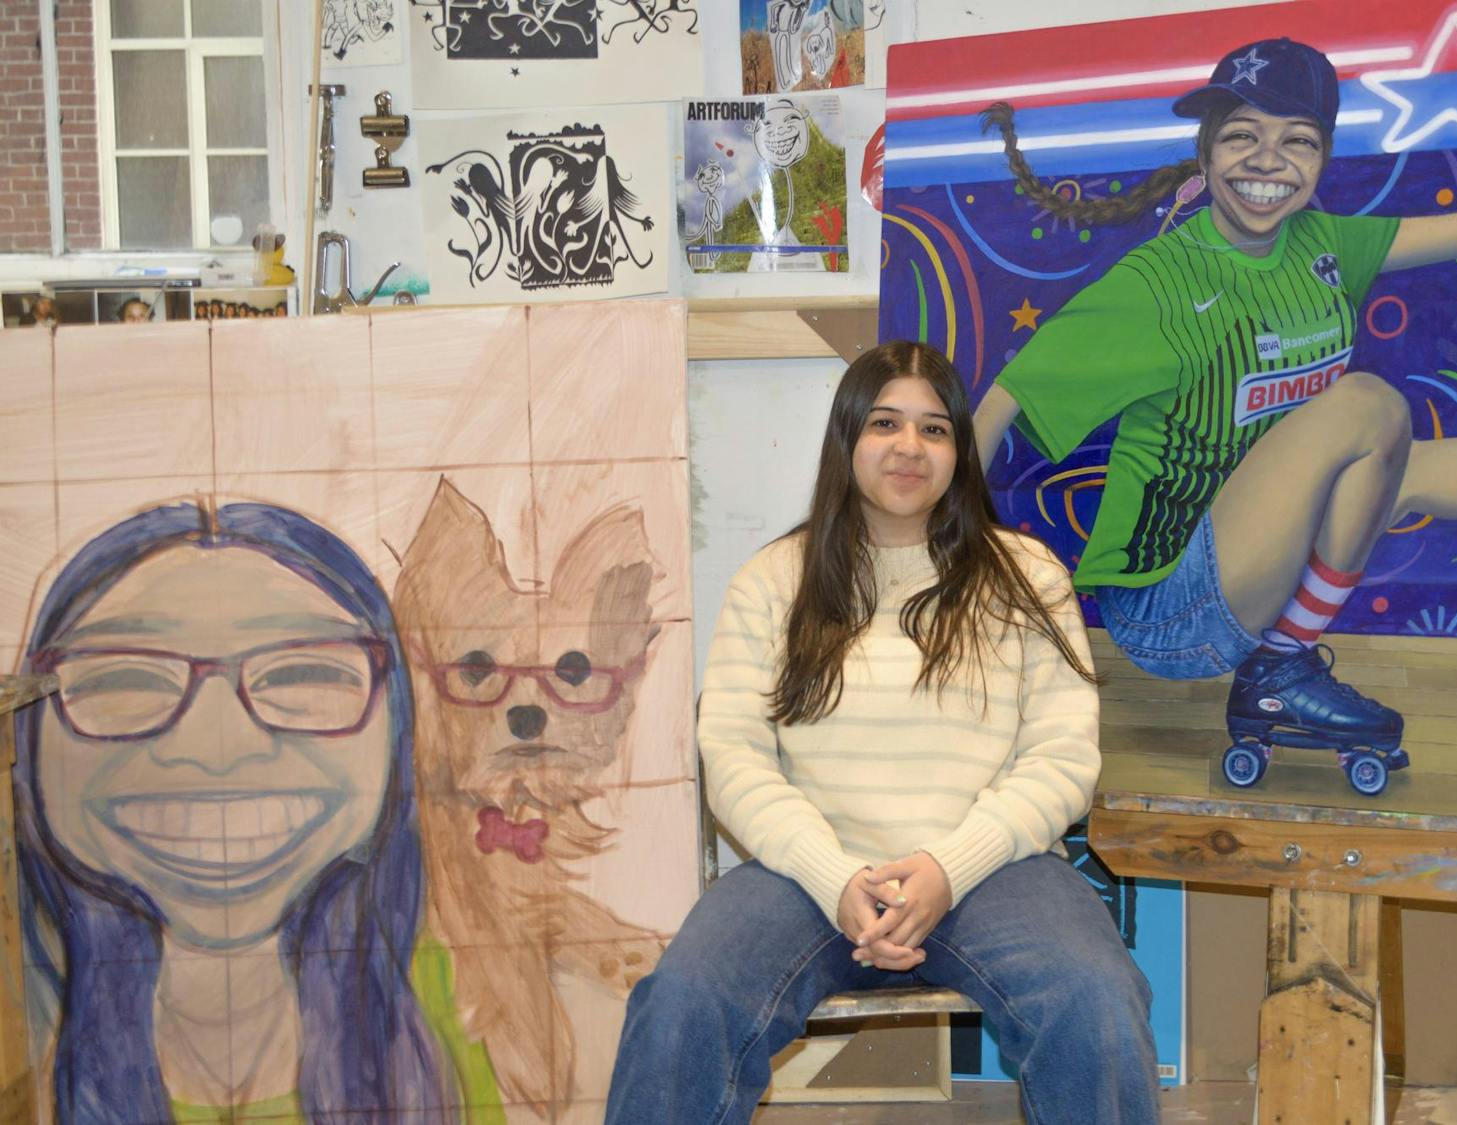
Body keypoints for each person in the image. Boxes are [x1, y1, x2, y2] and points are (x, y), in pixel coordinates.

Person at [605, 341, 1159, 1123]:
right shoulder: (773, 580)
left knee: (1097, 1002)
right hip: (806, 873)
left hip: (991, 869)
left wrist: (946, 867)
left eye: (935, 429)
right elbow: (732, 754)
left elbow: (1062, 757)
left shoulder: (1028, 576)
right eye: (885, 422)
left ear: (960, 451)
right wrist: (833, 877)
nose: (909, 446)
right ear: (847, 440)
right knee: (681, 1003)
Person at [973, 38, 1457, 790]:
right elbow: (1002, 400)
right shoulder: (1161, 280)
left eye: (1298, 141)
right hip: (1168, 604)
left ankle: (1279, 660)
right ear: (1207, 151)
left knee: (1408, 463)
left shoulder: (1322, 244)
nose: (1268, 160)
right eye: (1243, 135)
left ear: (1321, 160)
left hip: (1256, 561)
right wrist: (940, 545)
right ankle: (1280, 663)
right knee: (1367, 406)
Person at [14, 501, 500, 1122]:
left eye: (302, 672)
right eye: (123, 680)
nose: (218, 750)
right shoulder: (24, 1044)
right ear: (28, 740)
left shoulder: (475, 1003)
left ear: (395, 723)